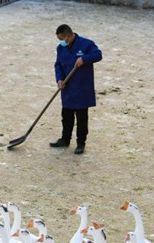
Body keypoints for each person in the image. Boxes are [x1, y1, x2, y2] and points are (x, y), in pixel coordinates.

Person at [49, 24, 102, 155]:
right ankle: (65, 139)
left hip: (82, 88)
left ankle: (81, 143)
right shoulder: (61, 48)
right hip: (67, 88)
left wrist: (84, 59)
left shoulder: (86, 44)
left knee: (81, 119)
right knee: (66, 116)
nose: (62, 42)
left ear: (69, 35)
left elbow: (98, 55)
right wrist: (59, 79)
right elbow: (58, 65)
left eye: (63, 39)